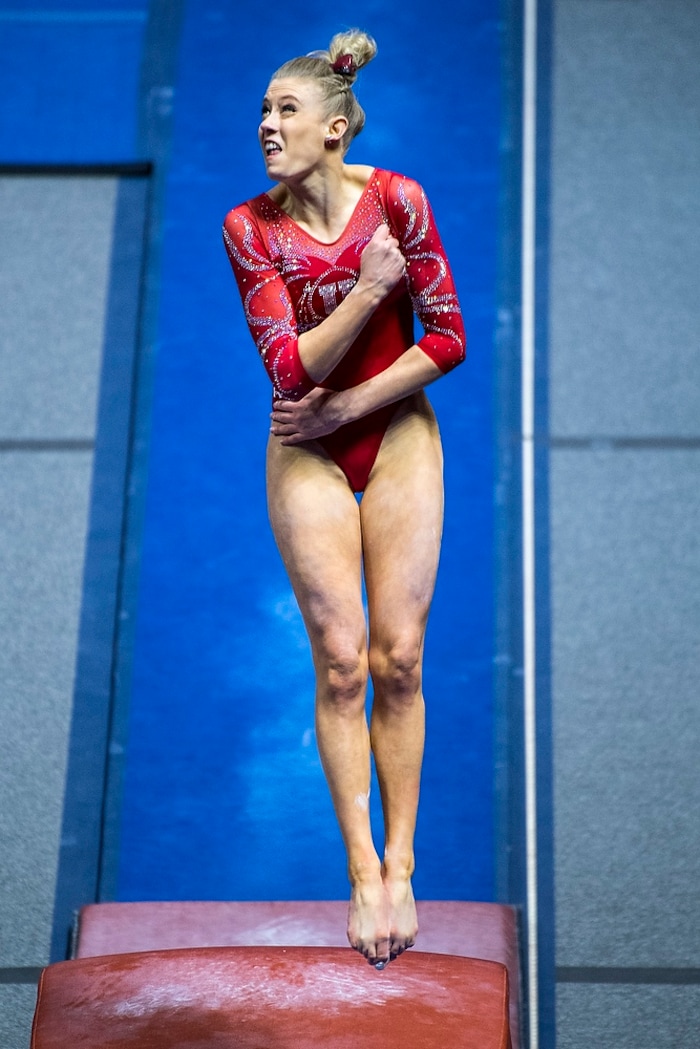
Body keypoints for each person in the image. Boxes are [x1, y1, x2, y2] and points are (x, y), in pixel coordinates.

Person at [223, 29, 466, 969]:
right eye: (263, 110)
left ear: (334, 128)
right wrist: (367, 294)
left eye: (285, 110)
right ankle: (363, 871)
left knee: (399, 657)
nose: (266, 125)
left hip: (395, 432)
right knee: (339, 663)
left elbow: (446, 338)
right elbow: (288, 369)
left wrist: (352, 404)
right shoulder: (251, 227)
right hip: (306, 456)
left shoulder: (399, 200)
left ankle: (404, 862)